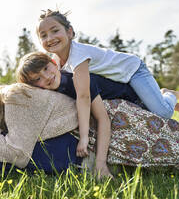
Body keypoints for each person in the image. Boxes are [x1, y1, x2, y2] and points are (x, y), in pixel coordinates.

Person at [0, 83, 179, 178]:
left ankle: (166, 95)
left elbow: (19, 154)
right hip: (100, 131)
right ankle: (167, 96)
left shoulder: (12, 99)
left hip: (116, 122)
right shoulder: (5, 116)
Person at [36, 9, 179, 158]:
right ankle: (159, 96)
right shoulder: (54, 61)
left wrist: (84, 137)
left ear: (69, 32)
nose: (50, 38)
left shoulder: (78, 55)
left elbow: (84, 97)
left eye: (55, 31)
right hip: (118, 80)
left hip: (133, 70)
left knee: (163, 113)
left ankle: (169, 94)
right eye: (43, 35)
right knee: (145, 108)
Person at [16, 51, 147, 178]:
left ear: (54, 63)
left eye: (45, 68)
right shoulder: (53, 91)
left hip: (133, 97)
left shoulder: (77, 81)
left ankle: (166, 95)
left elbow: (103, 119)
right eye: (37, 78)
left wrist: (100, 163)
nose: (46, 77)